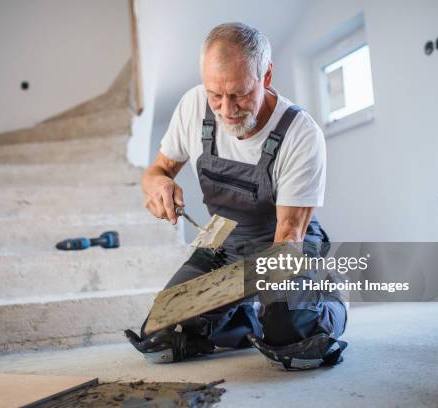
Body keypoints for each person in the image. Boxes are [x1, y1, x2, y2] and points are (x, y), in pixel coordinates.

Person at [125, 22, 347, 370]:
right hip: (224, 243)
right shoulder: (193, 106)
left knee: (290, 331)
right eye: (215, 95)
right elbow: (156, 171)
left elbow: (287, 238)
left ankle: (328, 299)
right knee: (162, 332)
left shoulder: (299, 133)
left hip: (282, 246)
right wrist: (158, 185)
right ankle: (245, 317)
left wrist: (243, 288)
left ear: (267, 76)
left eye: (240, 94)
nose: (226, 110)